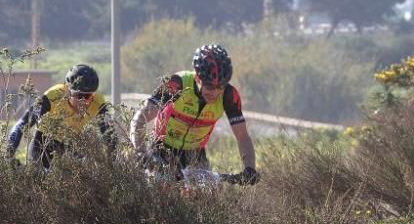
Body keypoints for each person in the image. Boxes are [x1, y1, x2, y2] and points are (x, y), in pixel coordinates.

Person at [130, 44, 258, 183]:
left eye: (220, 86)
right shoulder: (178, 83)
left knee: (207, 198)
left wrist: (249, 168)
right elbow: (140, 119)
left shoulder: (229, 95)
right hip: (162, 149)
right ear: (197, 78)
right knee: (162, 191)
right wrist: (141, 152)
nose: (215, 92)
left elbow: (242, 136)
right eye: (209, 86)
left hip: (195, 154)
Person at [6, 64, 116, 168]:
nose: (83, 102)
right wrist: (9, 155)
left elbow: (109, 135)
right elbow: (21, 124)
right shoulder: (52, 96)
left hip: (73, 144)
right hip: (44, 143)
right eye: (78, 95)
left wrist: (114, 166)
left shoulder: (98, 102)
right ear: (68, 91)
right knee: (39, 176)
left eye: (88, 96)